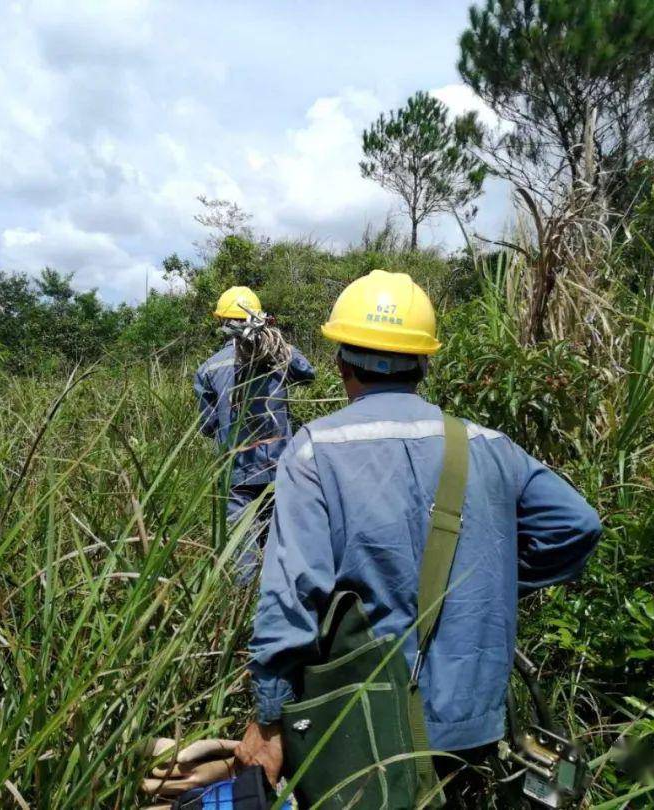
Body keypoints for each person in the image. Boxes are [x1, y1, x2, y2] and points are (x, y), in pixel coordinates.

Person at [235, 270, 601, 802]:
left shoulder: (316, 450)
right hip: (474, 725)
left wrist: (269, 718)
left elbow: (291, 597)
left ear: (341, 360)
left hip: (365, 727)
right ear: (423, 364)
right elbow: (578, 526)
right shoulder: (493, 446)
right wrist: (489, 581)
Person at [194, 286, 315, 576]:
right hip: (279, 468)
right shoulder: (279, 355)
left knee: (242, 553)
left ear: (222, 322)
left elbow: (207, 426)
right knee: (281, 549)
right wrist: (279, 346)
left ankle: (243, 608)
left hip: (236, 473)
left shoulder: (210, 368)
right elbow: (308, 373)